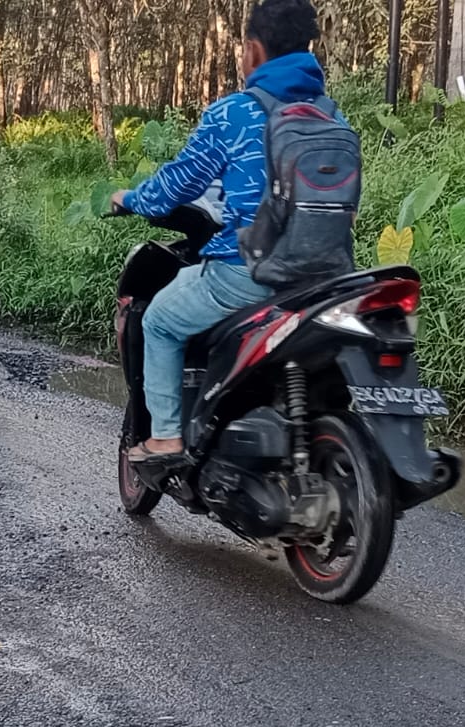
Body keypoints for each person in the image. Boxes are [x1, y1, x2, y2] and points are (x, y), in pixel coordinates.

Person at [112, 0, 331, 464]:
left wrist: (130, 199)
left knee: (160, 321)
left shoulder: (235, 113)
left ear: (253, 50)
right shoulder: (330, 115)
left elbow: (177, 183)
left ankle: (167, 437)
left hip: (249, 272)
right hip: (324, 278)